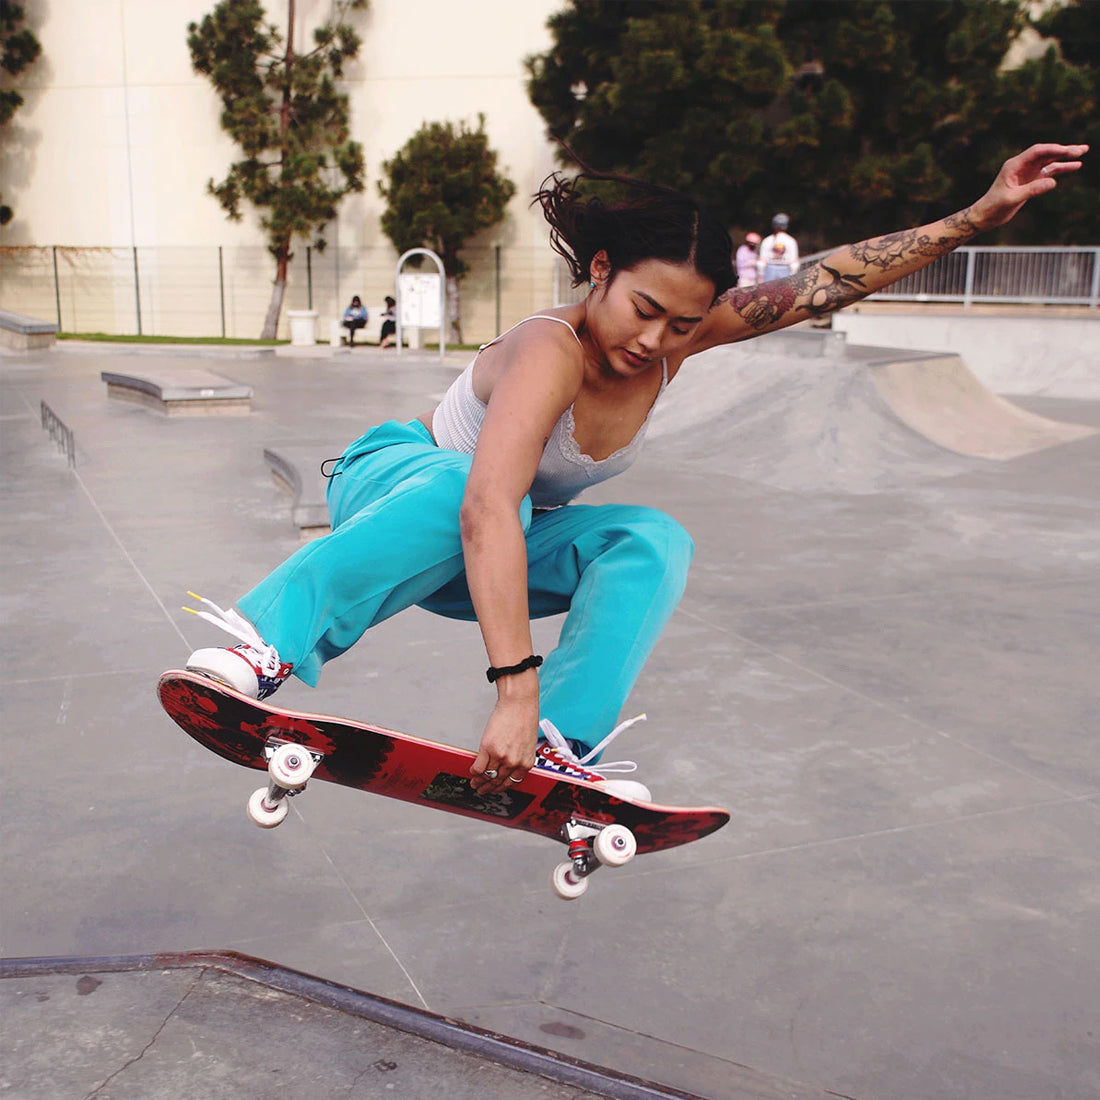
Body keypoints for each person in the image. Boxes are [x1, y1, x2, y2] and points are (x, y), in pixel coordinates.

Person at [184, 142, 1086, 801]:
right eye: (645, 309)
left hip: (491, 550)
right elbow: (486, 504)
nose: (654, 340)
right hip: (397, 493)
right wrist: (511, 687)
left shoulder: (676, 341)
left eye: (684, 325)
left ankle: (562, 744)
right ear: (602, 270)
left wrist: (976, 218)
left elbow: (826, 282)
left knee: (651, 540)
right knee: (477, 493)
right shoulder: (551, 348)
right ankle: (261, 638)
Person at [757, 213, 800, 281]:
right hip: (785, 269)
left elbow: (761, 263)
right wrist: (793, 275)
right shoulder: (791, 241)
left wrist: (761, 274)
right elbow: (794, 264)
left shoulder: (767, 240)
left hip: (770, 270)